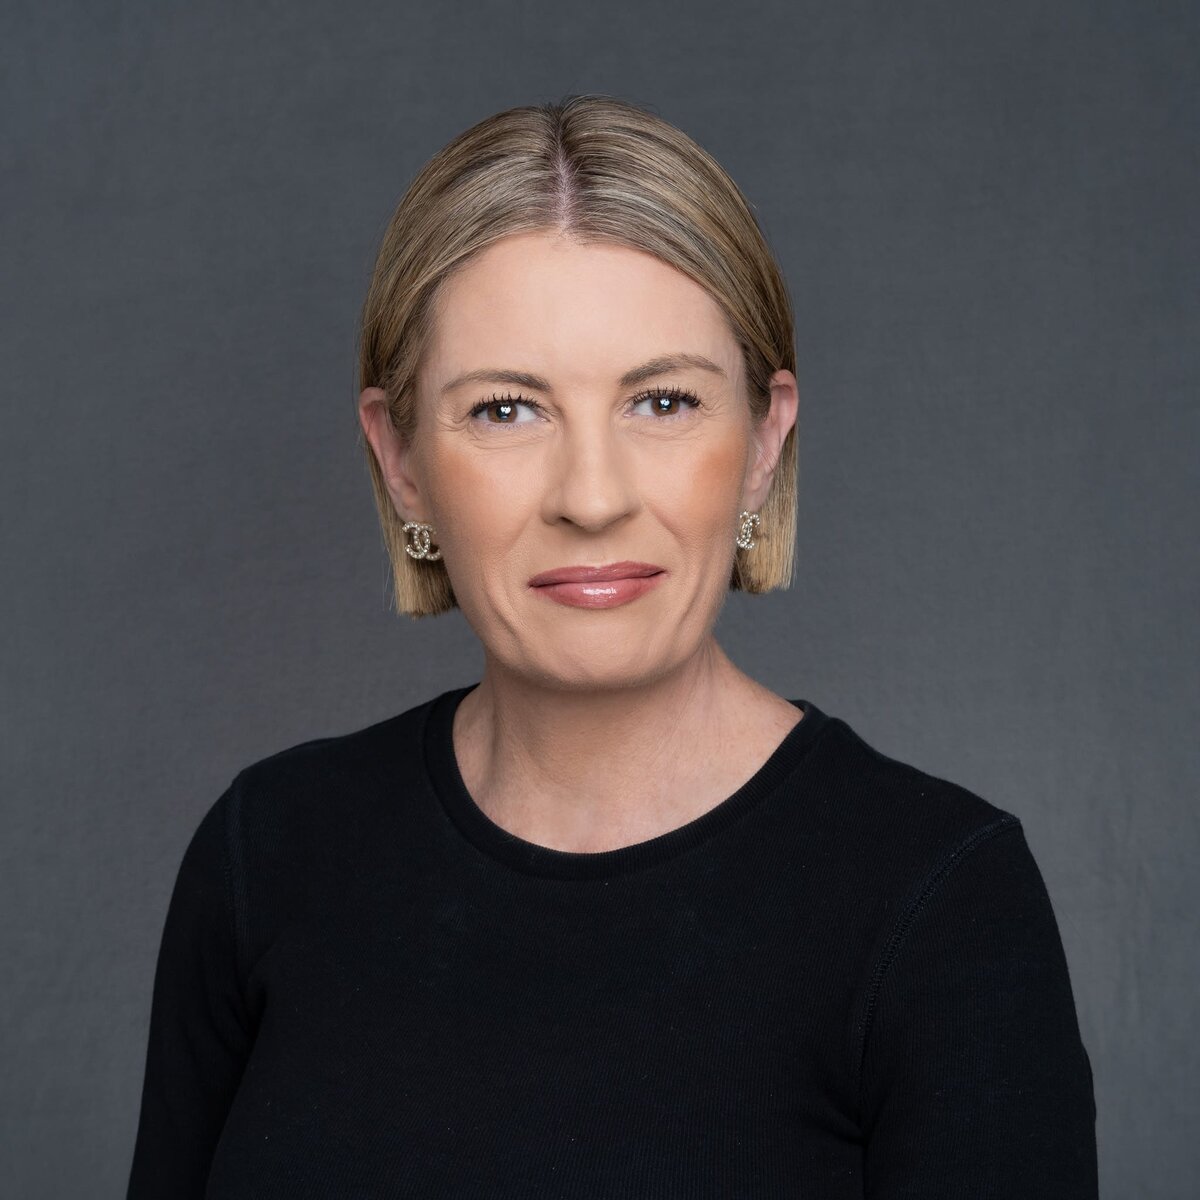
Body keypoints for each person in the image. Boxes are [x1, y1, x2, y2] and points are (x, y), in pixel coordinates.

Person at [126, 94, 1098, 1197]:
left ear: (765, 441)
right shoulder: (267, 855)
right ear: (401, 461)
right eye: (505, 410)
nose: (591, 497)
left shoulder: (941, 901)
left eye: (664, 400)